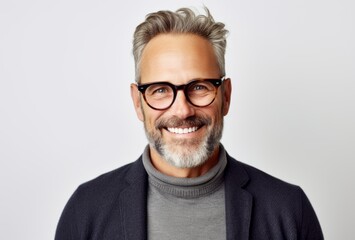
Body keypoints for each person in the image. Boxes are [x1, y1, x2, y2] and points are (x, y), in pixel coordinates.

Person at [55, 7, 323, 240]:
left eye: (199, 87)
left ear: (226, 96)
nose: (182, 110)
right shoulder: (86, 210)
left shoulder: (289, 209)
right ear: (138, 103)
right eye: (160, 89)